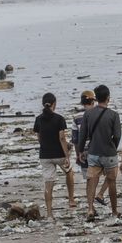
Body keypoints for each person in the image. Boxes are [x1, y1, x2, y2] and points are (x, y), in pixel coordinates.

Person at [79, 84, 122, 219]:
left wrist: (80, 151)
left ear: (96, 98)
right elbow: (117, 135)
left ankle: (90, 209)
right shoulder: (113, 115)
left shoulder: (88, 114)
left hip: (93, 152)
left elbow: (83, 134)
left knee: (92, 180)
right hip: (109, 152)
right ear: (108, 98)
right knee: (112, 182)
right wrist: (113, 147)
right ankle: (114, 211)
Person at [34, 92, 74, 220]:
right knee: (69, 172)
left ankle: (49, 213)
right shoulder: (59, 119)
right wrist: (67, 156)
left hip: (45, 155)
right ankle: (71, 199)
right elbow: (62, 138)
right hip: (59, 154)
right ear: (54, 104)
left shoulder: (38, 119)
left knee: (48, 184)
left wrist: (46, 145)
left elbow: (39, 138)